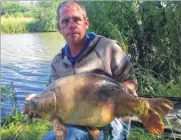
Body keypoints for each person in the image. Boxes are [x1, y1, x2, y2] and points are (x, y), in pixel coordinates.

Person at [26, 1, 138, 140]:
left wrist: (118, 98)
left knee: (72, 137)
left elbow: (130, 81)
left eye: (76, 19)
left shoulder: (107, 47)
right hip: (74, 123)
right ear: (59, 28)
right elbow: (52, 98)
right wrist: (37, 104)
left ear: (86, 23)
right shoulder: (57, 62)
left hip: (112, 119)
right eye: (65, 21)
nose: (71, 25)